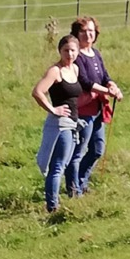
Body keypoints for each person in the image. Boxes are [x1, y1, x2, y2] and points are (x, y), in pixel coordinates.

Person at [68, 16, 122, 196]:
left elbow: (104, 76)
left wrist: (112, 84)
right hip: (84, 111)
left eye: (91, 31)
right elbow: (85, 82)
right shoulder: (76, 57)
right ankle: (74, 190)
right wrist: (107, 92)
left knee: (98, 149)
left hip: (97, 109)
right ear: (76, 34)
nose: (88, 34)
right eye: (83, 31)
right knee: (77, 152)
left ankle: (81, 182)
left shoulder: (96, 53)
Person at [33, 35, 84, 213]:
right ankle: (52, 206)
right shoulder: (55, 71)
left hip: (72, 123)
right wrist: (52, 109)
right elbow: (38, 92)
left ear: (77, 51)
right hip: (60, 124)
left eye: (72, 50)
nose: (69, 54)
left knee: (65, 163)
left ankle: (63, 197)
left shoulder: (75, 69)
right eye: (65, 50)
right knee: (58, 166)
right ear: (59, 51)